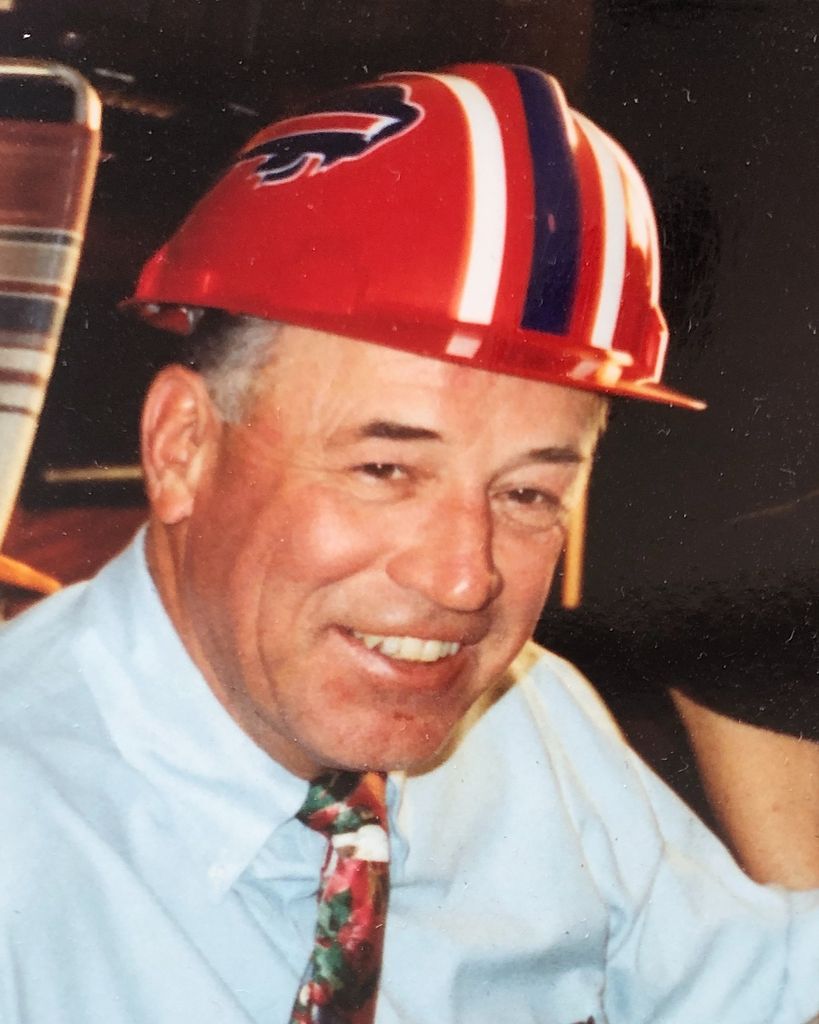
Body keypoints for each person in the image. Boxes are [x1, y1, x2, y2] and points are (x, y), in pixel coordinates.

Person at [0, 62, 817, 1024]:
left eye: (527, 492)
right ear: (182, 447)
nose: (464, 578)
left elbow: (762, 985)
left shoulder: (527, 720)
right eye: (385, 468)